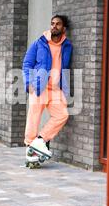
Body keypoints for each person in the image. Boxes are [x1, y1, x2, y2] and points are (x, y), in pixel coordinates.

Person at [22, 15, 73, 164]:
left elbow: (65, 67)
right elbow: (27, 64)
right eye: (52, 23)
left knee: (62, 115)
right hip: (39, 87)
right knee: (34, 118)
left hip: (56, 89)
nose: (54, 26)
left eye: (58, 24)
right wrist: (28, 83)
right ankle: (29, 146)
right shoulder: (39, 43)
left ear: (63, 28)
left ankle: (39, 141)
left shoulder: (67, 46)